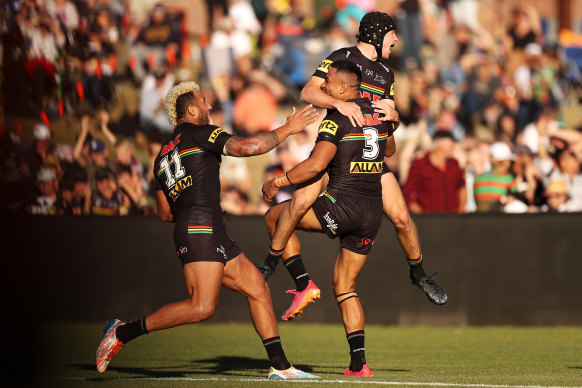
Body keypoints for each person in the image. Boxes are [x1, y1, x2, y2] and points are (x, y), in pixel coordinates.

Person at [95, 81, 319, 380]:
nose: (209, 106)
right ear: (190, 109)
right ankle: (122, 332)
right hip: (201, 225)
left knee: (257, 288)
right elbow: (247, 147)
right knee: (201, 307)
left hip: (202, 225)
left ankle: (280, 366)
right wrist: (288, 128)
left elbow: (164, 213)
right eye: (204, 101)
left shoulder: (162, 155)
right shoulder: (201, 132)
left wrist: (191, 208)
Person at [257, 12, 447, 307]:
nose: (397, 39)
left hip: (367, 158)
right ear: (377, 34)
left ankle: (418, 273)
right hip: (335, 150)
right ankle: (269, 266)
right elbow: (309, 91)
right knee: (297, 205)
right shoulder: (342, 56)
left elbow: (387, 133)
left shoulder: (387, 74)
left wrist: (394, 119)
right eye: (393, 33)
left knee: (401, 218)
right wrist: (337, 104)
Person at [261, 60, 393, 376]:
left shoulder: (336, 118)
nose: (323, 86)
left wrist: (276, 182)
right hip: (372, 213)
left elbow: (315, 165)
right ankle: (359, 364)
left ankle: (303, 283)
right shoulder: (379, 113)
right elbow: (389, 151)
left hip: (342, 206)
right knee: (346, 287)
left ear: (344, 89)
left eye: (329, 83)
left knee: (274, 217)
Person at [402, 130, 466, 213]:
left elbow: (462, 187)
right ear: (438, 142)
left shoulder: (454, 164)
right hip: (429, 221)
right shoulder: (420, 165)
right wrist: (421, 215)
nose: (453, 146)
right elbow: (407, 194)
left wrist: (461, 207)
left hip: (453, 219)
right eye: (451, 143)